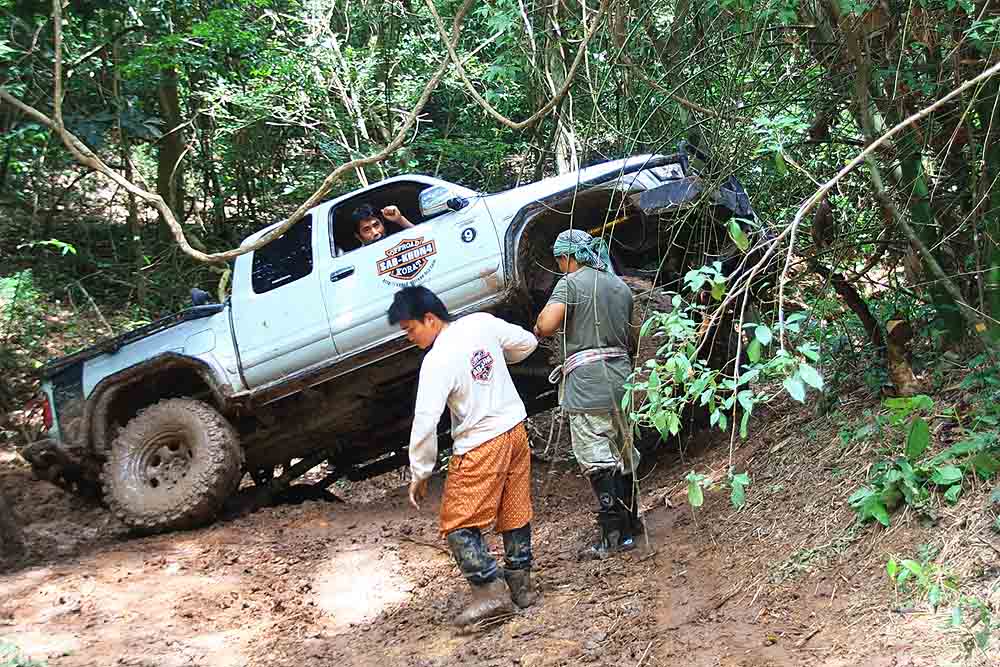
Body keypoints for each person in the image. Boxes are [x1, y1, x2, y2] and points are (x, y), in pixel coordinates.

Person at [388, 286, 539, 628]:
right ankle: (522, 588)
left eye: (410, 330)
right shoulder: (481, 323)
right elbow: (527, 343)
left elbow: (426, 421)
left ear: (430, 319)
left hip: (481, 442)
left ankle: (490, 593)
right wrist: (498, 362)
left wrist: (421, 472)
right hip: (515, 429)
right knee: (514, 509)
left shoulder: (437, 359)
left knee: (457, 523)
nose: (410, 338)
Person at [533, 229, 642, 560]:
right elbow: (632, 337)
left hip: (587, 384)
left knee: (597, 456)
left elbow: (548, 324)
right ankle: (632, 524)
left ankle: (613, 535)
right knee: (624, 450)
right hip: (621, 381)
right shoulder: (619, 286)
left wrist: (538, 326)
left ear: (567, 257)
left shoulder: (571, 283)